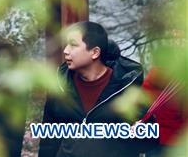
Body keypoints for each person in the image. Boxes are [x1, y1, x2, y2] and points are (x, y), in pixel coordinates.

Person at [38, 21, 144, 157]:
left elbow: (148, 142)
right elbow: (49, 140)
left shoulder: (126, 86)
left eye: (73, 45)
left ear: (95, 52)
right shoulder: (60, 85)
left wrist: (139, 133)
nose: (66, 51)